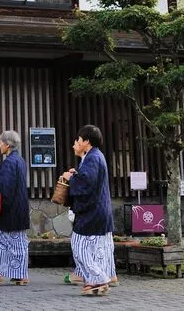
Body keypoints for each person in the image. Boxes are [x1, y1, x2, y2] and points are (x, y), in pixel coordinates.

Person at [59, 124, 114, 296]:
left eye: (78, 139)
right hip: (99, 211)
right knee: (95, 249)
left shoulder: (92, 158)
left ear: (86, 141)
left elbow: (86, 184)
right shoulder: (97, 156)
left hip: (92, 212)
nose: (75, 142)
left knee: (80, 245)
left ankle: (97, 279)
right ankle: (97, 280)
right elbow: (89, 179)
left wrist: (70, 177)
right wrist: (77, 174)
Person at [0, 130, 30, 286]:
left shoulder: (9, 162)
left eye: (0, 142)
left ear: (8, 144)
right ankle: (20, 274)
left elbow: (4, 185)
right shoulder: (20, 160)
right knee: (19, 243)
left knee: (0, 242)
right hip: (20, 207)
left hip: (9, 209)